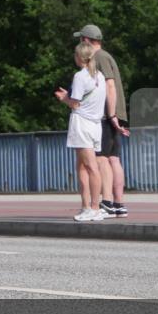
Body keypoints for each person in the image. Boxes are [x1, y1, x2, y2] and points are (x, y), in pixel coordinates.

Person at [75, 25, 130, 218]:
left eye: (81, 39)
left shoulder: (99, 57)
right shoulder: (106, 56)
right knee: (113, 158)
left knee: (102, 158)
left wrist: (111, 115)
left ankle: (106, 202)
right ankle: (118, 204)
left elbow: (110, 85)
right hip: (114, 112)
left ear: (86, 40)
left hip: (106, 114)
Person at [56, 43, 106, 222]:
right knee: (83, 166)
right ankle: (86, 206)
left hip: (82, 123)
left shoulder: (80, 76)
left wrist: (64, 98)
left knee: (90, 167)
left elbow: (75, 104)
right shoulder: (99, 76)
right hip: (95, 124)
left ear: (79, 57)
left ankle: (94, 208)